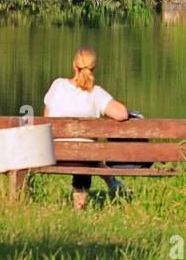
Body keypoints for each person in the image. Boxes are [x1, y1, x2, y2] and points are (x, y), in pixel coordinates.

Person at [44, 48, 129, 210]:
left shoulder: (57, 85)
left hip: (55, 153)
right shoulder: (95, 93)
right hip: (84, 156)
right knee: (86, 150)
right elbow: (122, 114)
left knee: (82, 149)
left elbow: (46, 118)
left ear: (73, 66)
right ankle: (103, 187)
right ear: (93, 68)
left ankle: (110, 182)